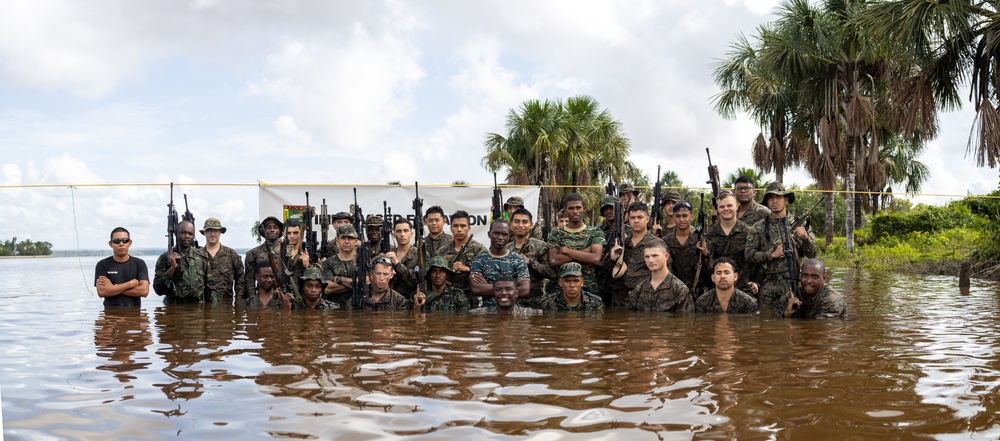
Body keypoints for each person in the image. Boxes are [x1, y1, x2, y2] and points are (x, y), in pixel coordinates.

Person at [746, 181, 818, 311]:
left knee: (796, 326)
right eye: (770, 198)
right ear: (767, 202)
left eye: (778, 197)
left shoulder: (800, 224)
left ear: (786, 200)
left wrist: (806, 238)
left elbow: (813, 254)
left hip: (794, 284)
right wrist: (771, 255)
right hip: (768, 286)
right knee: (767, 325)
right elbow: (749, 255)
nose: (774, 201)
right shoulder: (758, 227)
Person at [548, 193, 606, 299]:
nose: (575, 211)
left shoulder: (595, 232)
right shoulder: (556, 232)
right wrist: (587, 251)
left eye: (578, 208)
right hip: (563, 292)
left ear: (584, 208)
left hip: (590, 290)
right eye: (571, 208)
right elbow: (554, 261)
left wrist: (566, 250)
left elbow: (595, 258)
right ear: (565, 210)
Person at [703, 192, 757, 296]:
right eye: (722, 206)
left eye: (729, 205)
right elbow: (709, 264)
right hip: (718, 288)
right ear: (718, 209)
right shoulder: (710, 233)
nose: (726, 209)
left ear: (736, 206)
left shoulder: (748, 232)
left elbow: (755, 259)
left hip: (744, 288)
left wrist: (756, 281)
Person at [469, 219, 530, 304]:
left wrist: (488, 286)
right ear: (489, 234)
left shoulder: (518, 259)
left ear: (509, 237)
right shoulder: (479, 259)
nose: (500, 237)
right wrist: (511, 287)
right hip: (487, 311)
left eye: (504, 234)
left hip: (513, 311)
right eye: (496, 233)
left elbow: (525, 290)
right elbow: (476, 289)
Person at [609, 202, 658, 309]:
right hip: (621, 301)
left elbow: (664, 274)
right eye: (632, 218)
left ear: (647, 219)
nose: (636, 221)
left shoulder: (657, 244)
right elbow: (609, 273)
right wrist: (612, 259)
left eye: (640, 217)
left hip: (646, 299)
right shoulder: (622, 244)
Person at [154, 220, 213, 303]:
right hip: (174, 310)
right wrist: (172, 267)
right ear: (176, 234)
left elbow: (211, 287)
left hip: (198, 310)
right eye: (183, 233)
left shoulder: (202, 256)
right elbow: (159, 290)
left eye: (190, 234)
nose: (187, 236)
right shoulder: (164, 258)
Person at [507, 208, 557, 307]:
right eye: (517, 221)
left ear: (531, 225)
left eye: (524, 222)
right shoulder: (506, 249)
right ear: (511, 225)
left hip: (535, 300)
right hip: (510, 300)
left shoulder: (541, 246)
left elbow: (552, 273)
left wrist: (531, 262)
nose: (520, 225)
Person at [627, 238, 693, 313]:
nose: (650, 260)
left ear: (666, 256)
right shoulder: (639, 289)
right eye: (647, 257)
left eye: (655, 256)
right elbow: (632, 318)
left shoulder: (679, 290)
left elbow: (685, 321)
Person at [436, 210, 487, 298]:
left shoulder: (479, 250)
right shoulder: (442, 252)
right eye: (455, 226)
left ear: (469, 228)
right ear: (451, 228)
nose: (459, 229)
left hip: (473, 299)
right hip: (448, 299)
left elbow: (488, 273)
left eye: (463, 226)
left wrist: (467, 269)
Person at [95, 227, 149, 307]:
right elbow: (102, 292)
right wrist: (131, 284)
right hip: (111, 315)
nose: (121, 244)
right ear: (111, 244)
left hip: (134, 315)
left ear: (129, 243)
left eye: (125, 240)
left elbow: (144, 291)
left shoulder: (139, 263)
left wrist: (113, 287)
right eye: (117, 241)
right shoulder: (102, 265)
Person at [663, 200, 709, 294]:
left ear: (692, 217)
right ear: (673, 217)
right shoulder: (665, 241)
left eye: (685, 216)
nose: (681, 220)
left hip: (697, 292)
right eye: (678, 216)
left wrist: (705, 254)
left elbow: (710, 269)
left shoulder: (702, 240)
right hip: (673, 291)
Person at [779, 258, 847, 319]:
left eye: (814, 277)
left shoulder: (832, 301)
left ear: (824, 279)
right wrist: (786, 314)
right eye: (805, 276)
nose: (808, 281)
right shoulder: (793, 294)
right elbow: (774, 317)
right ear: (800, 276)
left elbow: (817, 327)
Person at [199, 218, 244, 305]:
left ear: (220, 232)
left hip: (226, 307)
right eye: (209, 231)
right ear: (204, 232)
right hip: (203, 307)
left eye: (215, 231)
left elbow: (240, 279)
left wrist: (238, 302)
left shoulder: (231, 254)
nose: (212, 234)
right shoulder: (197, 255)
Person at [695, 258, 759, 314]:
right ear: (713, 278)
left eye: (727, 272)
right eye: (718, 273)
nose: (722, 276)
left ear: (735, 276)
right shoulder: (702, 301)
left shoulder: (747, 302)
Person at [244, 216, 284, 302]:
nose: (272, 230)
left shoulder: (288, 251)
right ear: (264, 230)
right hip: (263, 298)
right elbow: (249, 279)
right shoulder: (253, 253)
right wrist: (253, 298)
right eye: (268, 227)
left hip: (284, 297)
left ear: (280, 230)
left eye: (275, 227)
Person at [321, 224, 360, 308]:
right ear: (337, 240)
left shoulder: (362, 261)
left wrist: (339, 279)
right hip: (335, 308)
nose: (346, 241)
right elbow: (327, 288)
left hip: (358, 308)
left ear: (356, 241)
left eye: (350, 238)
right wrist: (355, 285)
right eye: (343, 238)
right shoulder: (328, 262)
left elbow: (365, 284)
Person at [538, 263, 604, 311]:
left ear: (582, 282)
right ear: (561, 282)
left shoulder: (595, 303)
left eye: (576, 281)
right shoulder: (548, 303)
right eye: (567, 281)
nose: (572, 285)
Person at [469, 277, 542, 316]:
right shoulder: (478, 313)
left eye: (508, 289)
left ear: (516, 293)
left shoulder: (534, 314)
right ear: (494, 293)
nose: (503, 293)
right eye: (498, 289)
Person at [386, 218, 419, 299]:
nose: (402, 234)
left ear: (411, 234)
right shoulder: (388, 254)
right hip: (391, 300)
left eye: (406, 231)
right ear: (393, 235)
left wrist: (397, 263)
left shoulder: (419, 254)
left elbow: (416, 281)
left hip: (411, 299)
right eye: (398, 231)